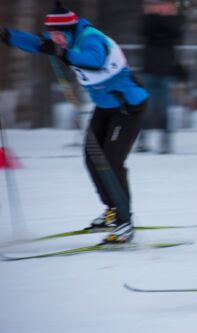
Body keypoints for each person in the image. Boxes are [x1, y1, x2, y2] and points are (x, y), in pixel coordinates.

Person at [0, 1, 149, 244]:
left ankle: (125, 222)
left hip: (128, 107)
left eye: (59, 35)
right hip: (105, 107)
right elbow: (35, 42)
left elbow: (94, 61)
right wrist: (7, 36)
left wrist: (60, 52)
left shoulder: (90, 39)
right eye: (52, 34)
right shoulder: (61, 39)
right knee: (92, 158)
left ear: (70, 30)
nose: (55, 39)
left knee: (111, 162)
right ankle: (112, 209)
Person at [136, 0, 184, 154]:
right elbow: (146, 32)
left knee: (164, 109)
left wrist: (167, 16)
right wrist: (155, 15)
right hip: (149, 69)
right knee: (146, 108)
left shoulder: (172, 21)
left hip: (165, 71)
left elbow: (176, 34)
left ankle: (165, 142)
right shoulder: (148, 20)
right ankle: (142, 141)